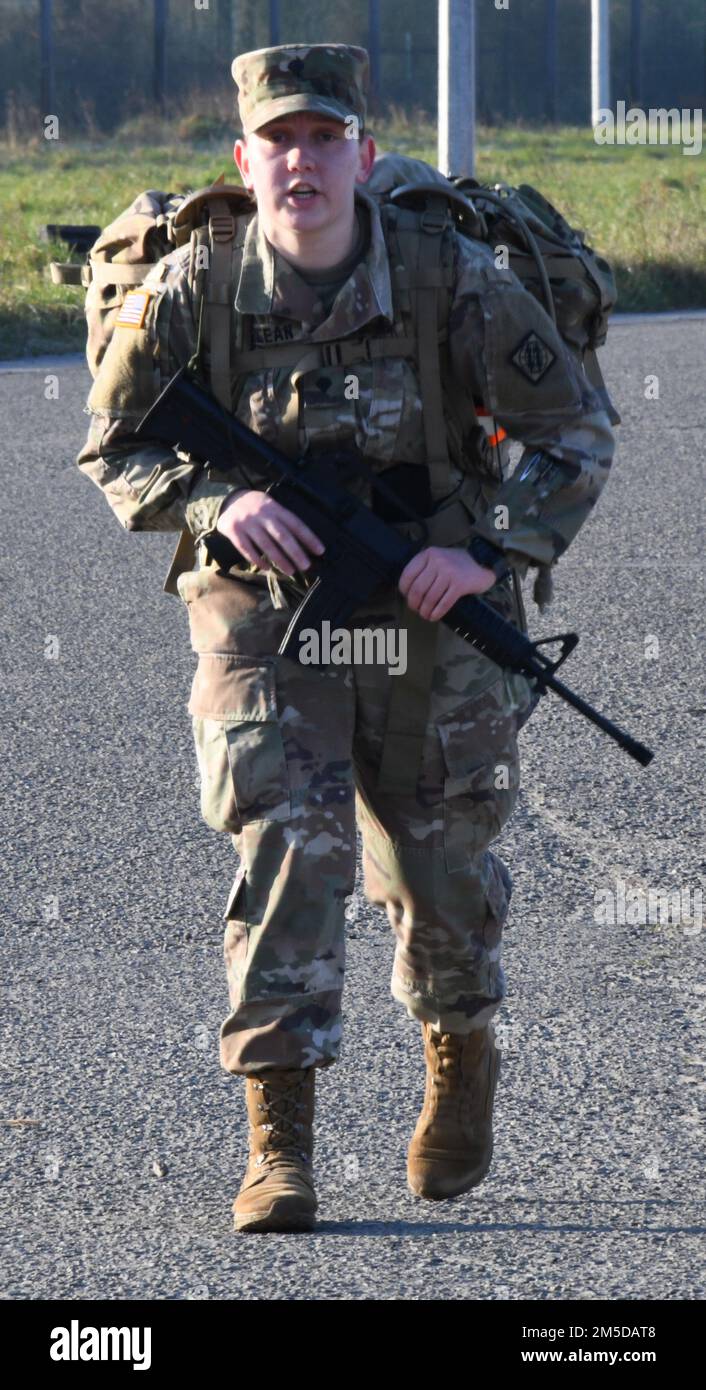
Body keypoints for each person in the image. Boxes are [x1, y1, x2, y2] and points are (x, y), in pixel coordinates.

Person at [76, 43, 615, 1234]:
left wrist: (485, 551)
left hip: (428, 600)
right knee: (288, 845)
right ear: (244, 159)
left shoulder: (453, 281)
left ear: (363, 157)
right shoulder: (193, 291)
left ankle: (460, 1047)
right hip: (268, 614)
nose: (301, 162)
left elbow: (576, 432)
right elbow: (115, 444)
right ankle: (282, 1146)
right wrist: (221, 503)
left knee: (437, 865)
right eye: (278, 140)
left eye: (324, 139)